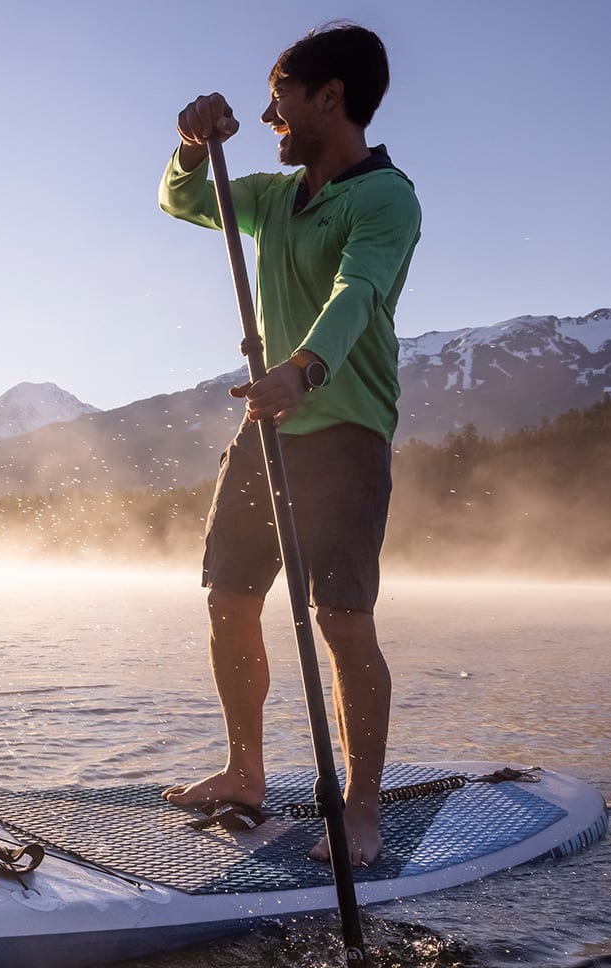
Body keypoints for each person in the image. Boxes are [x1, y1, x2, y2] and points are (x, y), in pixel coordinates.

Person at [155, 23, 422, 866]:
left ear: (329, 97)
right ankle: (245, 773)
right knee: (228, 598)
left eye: (282, 94)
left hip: (342, 431)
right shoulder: (272, 198)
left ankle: (363, 809)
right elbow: (181, 200)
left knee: (341, 620)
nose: (269, 113)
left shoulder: (386, 199)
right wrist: (191, 146)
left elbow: (359, 292)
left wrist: (304, 370)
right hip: (266, 425)